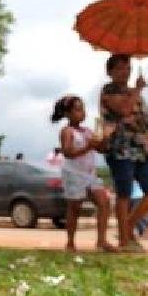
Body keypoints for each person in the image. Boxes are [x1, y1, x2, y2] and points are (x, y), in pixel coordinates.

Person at [99, 54, 148, 252]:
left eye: (127, 66)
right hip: (121, 148)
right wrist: (138, 89)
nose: (126, 71)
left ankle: (129, 224)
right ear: (110, 71)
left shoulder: (134, 93)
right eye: (120, 67)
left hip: (141, 148)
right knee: (124, 194)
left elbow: (143, 124)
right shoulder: (108, 90)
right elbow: (123, 110)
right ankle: (124, 239)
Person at [51, 95, 116, 253]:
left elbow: (101, 148)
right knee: (74, 207)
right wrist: (88, 146)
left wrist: (106, 137)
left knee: (104, 202)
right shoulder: (67, 131)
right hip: (74, 173)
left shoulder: (87, 131)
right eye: (78, 110)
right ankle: (70, 242)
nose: (82, 113)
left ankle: (101, 240)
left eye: (83, 109)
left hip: (89, 173)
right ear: (68, 113)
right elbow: (67, 152)